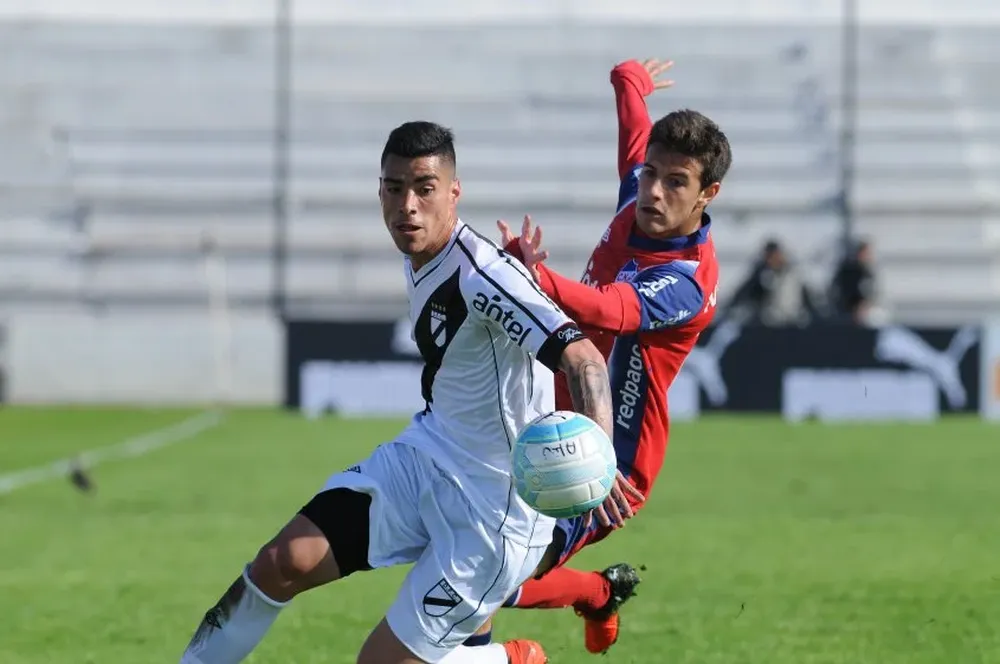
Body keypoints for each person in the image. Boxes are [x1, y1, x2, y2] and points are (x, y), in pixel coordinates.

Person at [177, 121, 615, 664]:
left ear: (454, 193)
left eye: (424, 189)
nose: (407, 205)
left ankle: (503, 660)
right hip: (426, 458)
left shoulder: (485, 274)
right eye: (393, 188)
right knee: (282, 561)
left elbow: (583, 359)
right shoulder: (426, 255)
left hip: (493, 509)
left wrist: (597, 460)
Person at [490, 58, 731, 655]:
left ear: (708, 194)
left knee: (494, 571)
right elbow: (633, 131)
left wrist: (537, 277)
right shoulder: (638, 195)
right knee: (474, 555)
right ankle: (598, 594)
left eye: (676, 181)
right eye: (651, 172)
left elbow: (612, 311)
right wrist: (628, 78)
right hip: (541, 414)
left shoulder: (686, 280)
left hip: (610, 460)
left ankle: (591, 599)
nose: (653, 189)